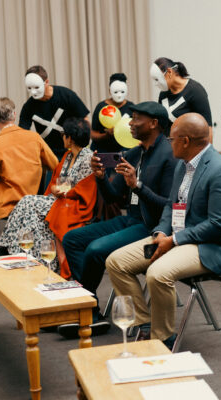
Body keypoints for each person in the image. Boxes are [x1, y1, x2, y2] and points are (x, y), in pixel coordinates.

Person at [106, 113, 221, 349]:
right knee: (116, 262)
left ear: (185, 141)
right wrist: (160, 232)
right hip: (174, 238)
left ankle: (162, 338)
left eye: (171, 139)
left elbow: (218, 225)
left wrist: (175, 239)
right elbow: (171, 205)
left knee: (157, 273)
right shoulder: (183, 164)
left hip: (209, 247)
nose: (169, 144)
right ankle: (144, 324)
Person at [57, 102, 177, 338]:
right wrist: (101, 177)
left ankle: (86, 309)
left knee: (95, 249)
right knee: (72, 239)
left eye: (136, 118)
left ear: (154, 124)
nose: (130, 123)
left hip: (152, 227)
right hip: (130, 220)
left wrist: (138, 186)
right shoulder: (134, 153)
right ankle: (89, 306)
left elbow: (168, 206)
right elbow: (113, 196)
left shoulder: (169, 156)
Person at [0, 118, 96, 276]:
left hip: (74, 205)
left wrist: (64, 191)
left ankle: (7, 247)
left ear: (70, 138)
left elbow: (85, 190)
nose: (62, 138)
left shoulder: (88, 159)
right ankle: (31, 258)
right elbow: (57, 181)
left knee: (27, 202)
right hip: (59, 199)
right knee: (31, 215)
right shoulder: (68, 156)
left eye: (63, 134)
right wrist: (56, 188)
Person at [0, 97, 57, 249]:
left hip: (6, 204)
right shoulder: (34, 138)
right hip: (31, 201)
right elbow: (54, 164)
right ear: (14, 114)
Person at [19, 65, 90, 160]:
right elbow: (23, 134)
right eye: (29, 88)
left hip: (72, 152)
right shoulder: (28, 107)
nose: (33, 92)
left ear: (46, 82)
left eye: (36, 87)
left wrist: (81, 147)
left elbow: (85, 122)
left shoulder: (67, 96)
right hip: (48, 155)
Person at [150, 57, 213, 141]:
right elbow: (160, 125)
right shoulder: (163, 94)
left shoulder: (195, 91)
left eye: (157, 79)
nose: (156, 84)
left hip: (189, 144)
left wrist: (208, 149)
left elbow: (207, 127)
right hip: (168, 145)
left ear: (169, 72)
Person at [90, 72, 134, 153]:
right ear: (110, 90)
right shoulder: (101, 107)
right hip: (102, 151)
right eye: (116, 91)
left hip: (124, 151)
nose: (119, 95)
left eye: (122, 91)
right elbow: (93, 134)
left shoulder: (131, 107)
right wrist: (106, 135)